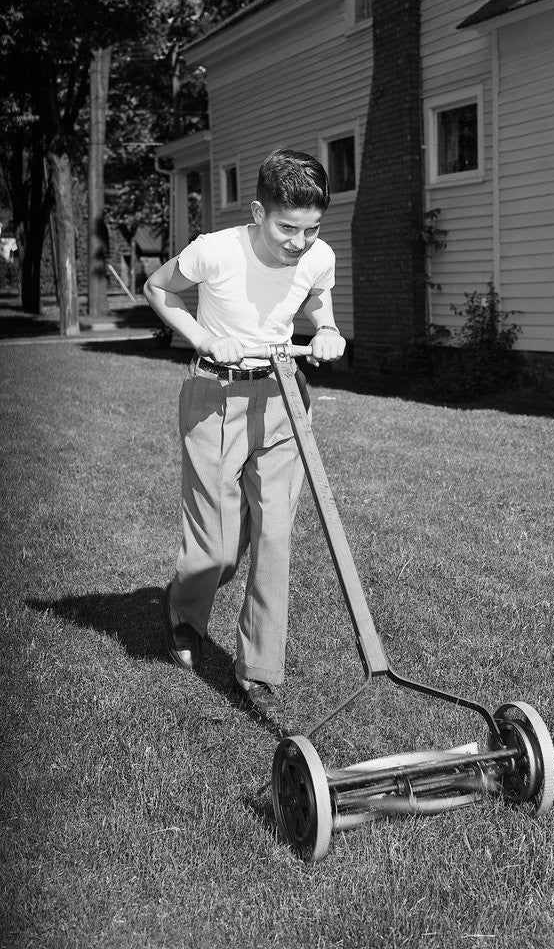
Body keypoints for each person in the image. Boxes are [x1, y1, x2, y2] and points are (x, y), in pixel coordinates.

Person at [144, 148, 346, 729]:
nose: (300, 242)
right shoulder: (215, 251)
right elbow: (159, 289)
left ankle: (258, 669)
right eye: (287, 227)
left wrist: (327, 327)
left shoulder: (318, 256)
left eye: (311, 228)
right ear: (258, 212)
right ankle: (183, 610)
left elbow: (316, 297)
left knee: (276, 537)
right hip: (215, 401)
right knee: (218, 547)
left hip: (284, 397)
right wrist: (204, 337)